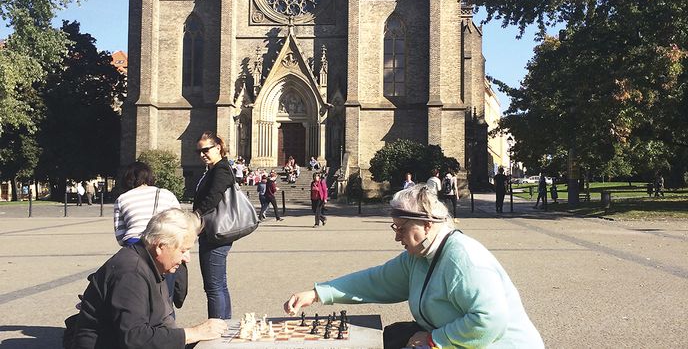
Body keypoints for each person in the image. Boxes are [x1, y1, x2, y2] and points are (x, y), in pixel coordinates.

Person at [283, 185, 544, 349]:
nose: (397, 236)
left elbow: (489, 321)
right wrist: (317, 293)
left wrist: (435, 339)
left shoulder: (463, 258)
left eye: (402, 228)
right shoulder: (419, 256)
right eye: (395, 227)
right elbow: (377, 281)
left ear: (428, 224)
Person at [70, 208, 226, 349]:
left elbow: (160, 322)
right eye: (183, 250)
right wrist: (193, 333)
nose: (187, 258)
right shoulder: (131, 273)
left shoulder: (149, 262)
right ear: (160, 247)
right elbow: (134, 338)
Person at [113, 161, 183, 307]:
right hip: (163, 244)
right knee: (165, 297)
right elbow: (180, 222)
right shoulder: (166, 194)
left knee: (137, 295)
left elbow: (120, 236)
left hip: (134, 248)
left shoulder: (122, 199)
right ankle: (167, 325)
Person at [193, 131, 236, 319]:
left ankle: (217, 329)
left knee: (213, 287)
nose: (202, 154)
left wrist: (195, 216)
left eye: (205, 150)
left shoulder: (221, 169)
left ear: (218, 148)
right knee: (219, 285)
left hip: (215, 232)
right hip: (214, 231)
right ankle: (224, 325)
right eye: (199, 152)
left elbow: (214, 196)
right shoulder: (214, 169)